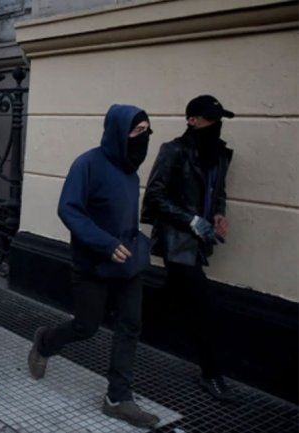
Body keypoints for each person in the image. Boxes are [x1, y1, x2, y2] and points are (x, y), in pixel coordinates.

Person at [26, 104, 160, 429]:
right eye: (137, 131)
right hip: (92, 266)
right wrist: (106, 244)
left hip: (127, 266)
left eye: (147, 131)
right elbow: (69, 210)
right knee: (87, 326)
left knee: (131, 324)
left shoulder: (132, 171)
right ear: (118, 131)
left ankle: (118, 398)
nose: (144, 138)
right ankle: (45, 341)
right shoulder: (87, 164)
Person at [141, 95, 236, 402]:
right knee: (205, 305)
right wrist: (192, 220)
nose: (216, 125)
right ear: (192, 120)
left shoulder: (219, 155)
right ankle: (211, 374)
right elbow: (154, 198)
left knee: (172, 296)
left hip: (199, 243)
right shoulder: (174, 151)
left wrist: (218, 213)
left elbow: (217, 191)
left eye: (219, 119)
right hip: (177, 242)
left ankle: (129, 327)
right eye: (210, 119)